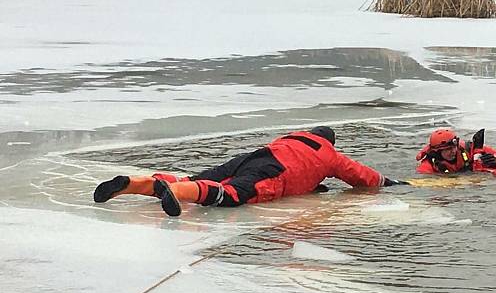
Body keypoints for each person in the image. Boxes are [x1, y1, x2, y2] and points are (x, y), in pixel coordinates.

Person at [93, 126, 406, 217]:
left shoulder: (291, 136)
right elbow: (362, 177)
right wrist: (390, 183)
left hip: (255, 156)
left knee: (200, 177)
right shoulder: (330, 154)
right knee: (232, 195)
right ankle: (178, 194)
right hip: (276, 172)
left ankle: (135, 184)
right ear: (330, 142)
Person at [415, 128, 496, 174]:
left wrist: (495, 162)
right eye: (448, 149)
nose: (453, 151)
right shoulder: (427, 166)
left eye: (454, 147)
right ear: (437, 151)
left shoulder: (468, 148)